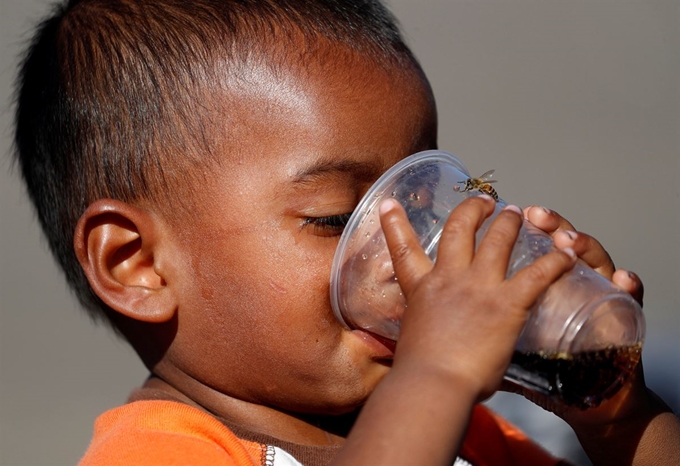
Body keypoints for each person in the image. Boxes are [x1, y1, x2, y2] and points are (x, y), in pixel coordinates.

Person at [13, 1, 680, 465]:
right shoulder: (161, 455)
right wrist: (438, 374)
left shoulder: (473, 436)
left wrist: (615, 417)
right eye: (335, 218)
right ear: (138, 264)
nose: (405, 251)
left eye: (420, 205)